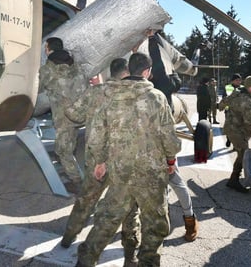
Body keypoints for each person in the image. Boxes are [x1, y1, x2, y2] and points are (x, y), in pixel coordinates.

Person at [76, 52, 182, 267]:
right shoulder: (157, 97)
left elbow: (97, 135)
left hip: (120, 172)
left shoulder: (111, 97)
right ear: (146, 72)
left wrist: (99, 162)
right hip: (150, 174)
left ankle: (85, 261)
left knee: (107, 220)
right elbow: (169, 138)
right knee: (154, 223)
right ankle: (147, 262)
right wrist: (170, 160)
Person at [61, 58, 142, 256]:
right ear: (126, 72)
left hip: (96, 160)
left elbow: (72, 114)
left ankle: (69, 236)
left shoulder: (95, 92)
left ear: (111, 73)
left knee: (86, 200)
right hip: (123, 162)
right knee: (129, 208)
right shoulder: (136, 94)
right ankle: (131, 254)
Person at [38, 37, 87, 190]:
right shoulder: (76, 65)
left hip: (64, 116)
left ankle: (77, 181)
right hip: (81, 112)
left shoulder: (47, 69)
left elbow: (38, 89)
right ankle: (74, 171)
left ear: (48, 48)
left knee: (62, 151)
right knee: (70, 144)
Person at [221, 75, 251, 193]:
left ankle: (234, 178)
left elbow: (222, 104)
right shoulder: (247, 102)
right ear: (248, 87)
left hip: (232, 128)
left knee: (242, 153)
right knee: (244, 153)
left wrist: (224, 107)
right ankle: (234, 180)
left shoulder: (237, 92)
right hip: (236, 130)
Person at [221, 73, 242, 147]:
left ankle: (235, 144)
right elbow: (224, 98)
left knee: (238, 129)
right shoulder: (227, 87)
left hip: (239, 112)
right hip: (229, 111)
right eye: (237, 80)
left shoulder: (242, 88)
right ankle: (229, 139)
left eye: (240, 80)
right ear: (233, 81)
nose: (239, 82)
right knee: (229, 127)